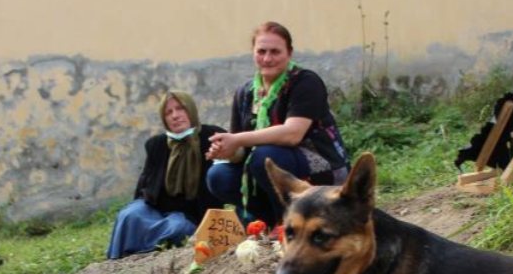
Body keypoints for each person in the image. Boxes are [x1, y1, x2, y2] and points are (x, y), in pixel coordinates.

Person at [205, 22, 350, 226]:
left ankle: (291, 221)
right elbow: (240, 149)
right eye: (261, 51)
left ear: (289, 53)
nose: (267, 58)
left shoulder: (305, 82)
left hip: (319, 164)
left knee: (265, 156)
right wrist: (226, 151)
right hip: (265, 167)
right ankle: (273, 221)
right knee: (218, 175)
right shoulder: (244, 93)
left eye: (275, 52)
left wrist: (237, 139)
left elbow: (293, 134)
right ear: (253, 53)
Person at [107, 91, 225, 259]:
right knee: (129, 215)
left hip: (188, 215)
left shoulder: (212, 137)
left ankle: (140, 251)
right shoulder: (156, 144)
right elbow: (144, 185)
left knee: (177, 228)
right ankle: (118, 261)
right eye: (168, 112)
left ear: (190, 110)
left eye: (180, 109)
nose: (175, 116)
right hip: (156, 208)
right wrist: (142, 204)